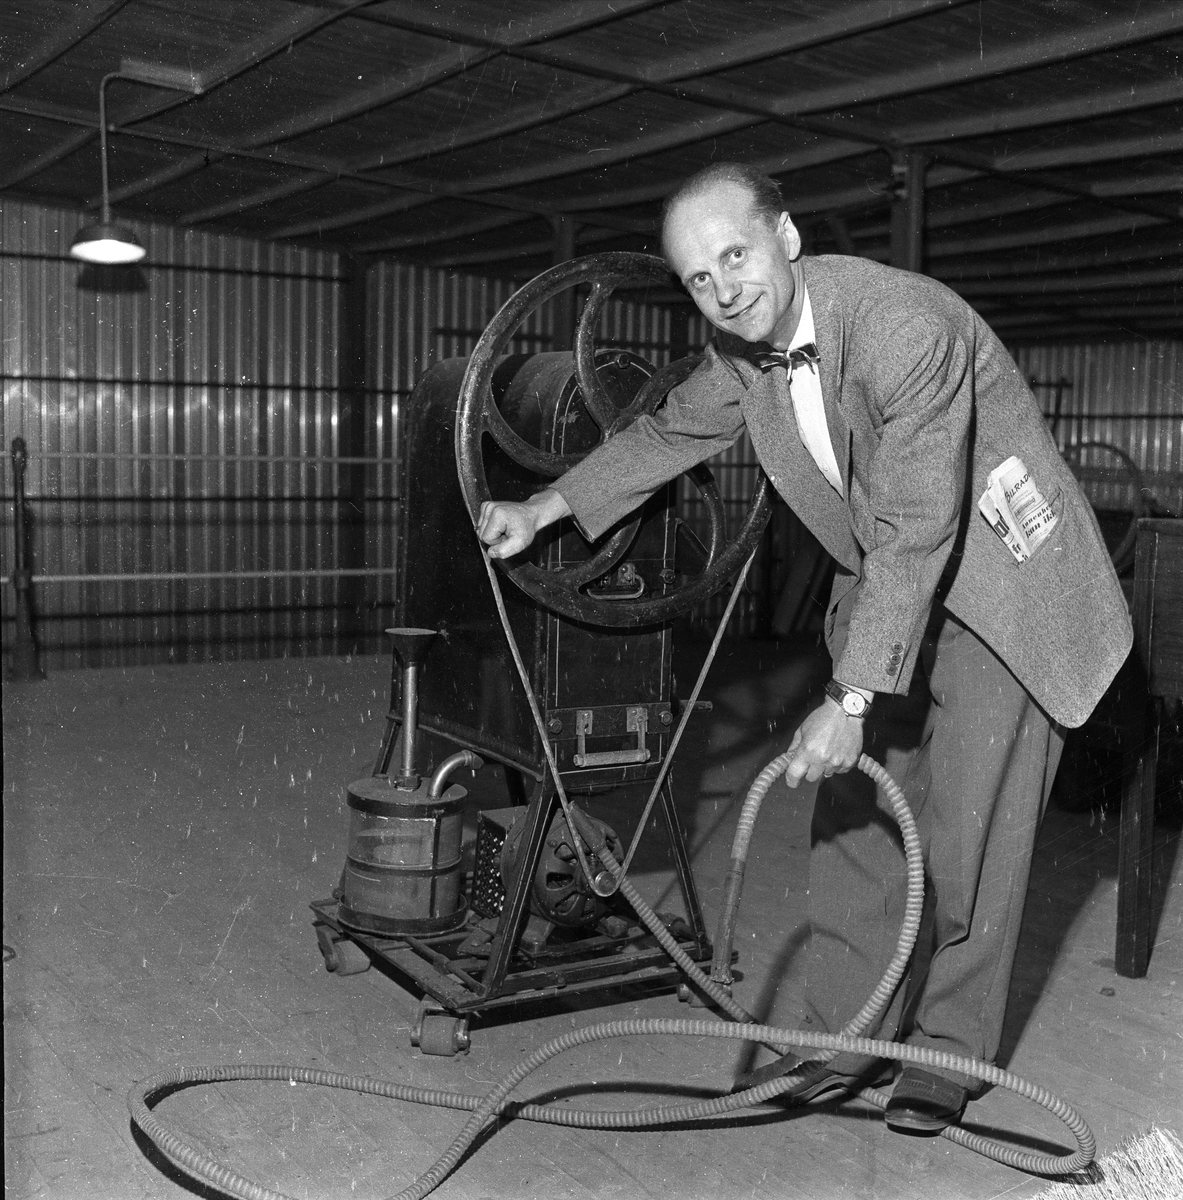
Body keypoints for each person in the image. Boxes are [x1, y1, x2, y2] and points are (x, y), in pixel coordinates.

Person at [476, 162, 1131, 1134]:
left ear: (783, 238)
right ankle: (837, 1041)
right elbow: (669, 430)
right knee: (853, 821)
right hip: (893, 581)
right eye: (699, 277)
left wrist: (852, 698)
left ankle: (943, 1063)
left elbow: (914, 527)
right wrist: (544, 506)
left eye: (733, 256)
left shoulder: (901, 324)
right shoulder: (745, 349)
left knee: (964, 840)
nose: (722, 287)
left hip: (1005, 591)